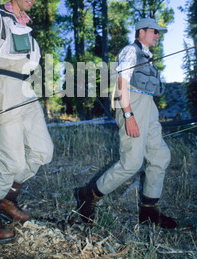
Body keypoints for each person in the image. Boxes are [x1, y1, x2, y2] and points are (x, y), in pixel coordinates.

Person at [75, 18, 177, 229]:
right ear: (141, 32)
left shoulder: (148, 57)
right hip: (132, 104)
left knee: (160, 156)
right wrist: (129, 115)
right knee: (131, 163)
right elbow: (122, 82)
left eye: (159, 32)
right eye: (154, 31)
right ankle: (89, 194)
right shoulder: (131, 51)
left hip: (149, 106)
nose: (158, 35)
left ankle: (149, 211)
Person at [0, 0, 54, 242]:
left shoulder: (28, 28)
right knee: (12, 159)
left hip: (25, 91)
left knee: (43, 151)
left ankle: (8, 199)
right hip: (0, 87)